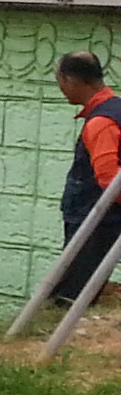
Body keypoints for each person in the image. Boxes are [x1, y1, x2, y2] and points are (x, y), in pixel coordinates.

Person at [56, 53, 121, 305]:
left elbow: (110, 182)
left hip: (94, 223)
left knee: (70, 296)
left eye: (59, 80)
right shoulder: (115, 110)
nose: (61, 88)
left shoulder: (101, 122)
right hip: (99, 221)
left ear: (70, 80)